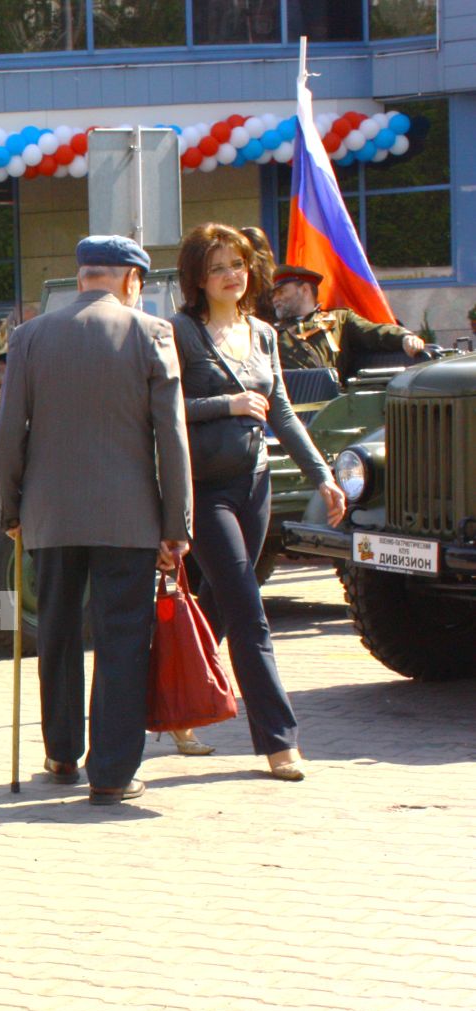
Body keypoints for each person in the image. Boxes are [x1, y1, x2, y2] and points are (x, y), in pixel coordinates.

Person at [0, 235, 191, 805]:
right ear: (132, 280)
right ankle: (111, 772)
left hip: (49, 517)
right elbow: (170, 438)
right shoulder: (152, 333)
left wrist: (11, 508)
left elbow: (8, 435)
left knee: (54, 632)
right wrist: (176, 523)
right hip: (128, 519)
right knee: (122, 639)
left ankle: (59, 752)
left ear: (81, 278)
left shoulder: (29, 337)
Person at [170, 224, 347, 781]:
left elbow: (283, 414)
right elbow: (165, 408)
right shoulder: (179, 331)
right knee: (249, 610)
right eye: (220, 266)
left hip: (257, 485)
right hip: (206, 489)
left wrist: (323, 476)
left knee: (218, 605)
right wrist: (226, 403)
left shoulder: (264, 334)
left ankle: (178, 704)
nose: (232, 275)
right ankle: (279, 740)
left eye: (239, 264)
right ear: (199, 277)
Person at [271, 264, 425, 382]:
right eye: (273, 295)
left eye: (281, 292)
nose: (275, 299)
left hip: (331, 403)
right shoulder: (269, 331)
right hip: (288, 404)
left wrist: (404, 337)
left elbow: (373, 333)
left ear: (304, 290)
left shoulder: (339, 319)